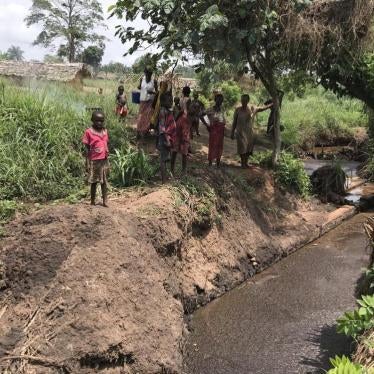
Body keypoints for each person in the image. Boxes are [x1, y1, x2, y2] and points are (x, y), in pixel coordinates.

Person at [231, 94, 273, 168]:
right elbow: (234, 122)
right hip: (240, 132)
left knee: (248, 148)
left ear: (248, 101)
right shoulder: (237, 109)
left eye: (245, 101)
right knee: (242, 148)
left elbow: (261, 108)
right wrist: (232, 132)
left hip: (249, 133)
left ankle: (246, 163)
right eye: (242, 100)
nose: (243, 102)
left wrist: (271, 104)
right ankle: (242, 163)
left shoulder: (252, 108)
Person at [82, 110, 109, 207]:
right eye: (97, 121)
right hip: (94, 160)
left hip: (104, 160)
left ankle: (105, 201)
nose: (99, 123)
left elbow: (106, 143)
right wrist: (87, 162)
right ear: (92, 120)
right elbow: (86, 148)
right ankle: (92, 201)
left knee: (104, 182)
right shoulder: (89, 132)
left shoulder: (105, 131)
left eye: (101, 121)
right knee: (93, 182)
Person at [201, 93, 226, 168]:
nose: (220, 102)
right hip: (213, 130)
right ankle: (210, 163)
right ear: (215, 100)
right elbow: (202, 115)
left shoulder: (223, 110)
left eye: (221, 100)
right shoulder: (210, 109)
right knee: (212, 146)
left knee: (219, 146)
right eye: (218, 100)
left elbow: (223, 120)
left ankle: (218, 163)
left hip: (221, 130)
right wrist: (207, 125)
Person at [157, 92, 176, 183]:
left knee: (167, 158)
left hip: (169, 137)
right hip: (165, 138)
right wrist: (167, 139)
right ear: (163, 102)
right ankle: (164, 181)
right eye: (169, 101)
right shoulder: (162, 111)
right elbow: (162, 127)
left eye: (172, 100)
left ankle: (165, 177)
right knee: (163, 160)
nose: (171, 102)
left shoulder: (168, 110)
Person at [137, 68, 158, 137]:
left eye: (149, 74)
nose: (148, 75)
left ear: (151, 74)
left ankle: (145, 131)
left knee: (148, 117)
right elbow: (139, 87)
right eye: (146, 73)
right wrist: (139, 87)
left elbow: (157, 92)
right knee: (141, 116)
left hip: (150, 101)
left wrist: (152, 92)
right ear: (145, 73)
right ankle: (139, 130)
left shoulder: (154, 81)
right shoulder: (142, 79)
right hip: (142, 100)